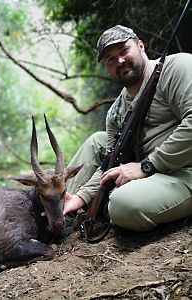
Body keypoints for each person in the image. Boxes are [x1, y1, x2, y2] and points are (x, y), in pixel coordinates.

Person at [64, 25, 192, 232]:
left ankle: (111, 207)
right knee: (97, 140)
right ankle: (64, 214)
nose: (120, 61)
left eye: (124, 51)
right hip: (152, 173)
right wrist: (81, 197)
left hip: (184, 170)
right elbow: (110, 163)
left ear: (141, 46)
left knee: (123, 205)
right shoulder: (116, 112)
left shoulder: (178, 67)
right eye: (110, 59)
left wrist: (147, 166)